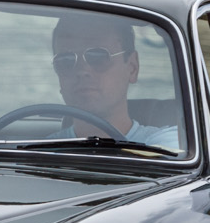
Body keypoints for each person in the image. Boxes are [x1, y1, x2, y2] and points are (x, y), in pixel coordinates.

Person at [50, 14, 181, 151]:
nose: (82, 71)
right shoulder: (42, 151)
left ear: (132, 67)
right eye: (65, 61)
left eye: (98, 57)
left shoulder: (164, 147)